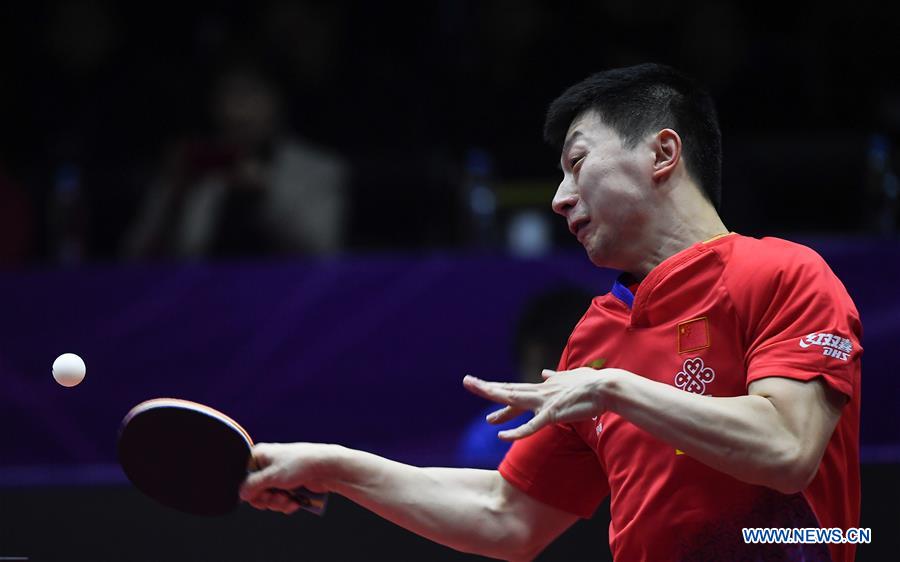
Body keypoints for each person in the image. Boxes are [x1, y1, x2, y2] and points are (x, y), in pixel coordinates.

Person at [240, 64, 861, 562]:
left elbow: (786, 447)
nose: (561, 200)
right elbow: (507, 516)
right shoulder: (595, 339)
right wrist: (336, 467)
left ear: (663, 153)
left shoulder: (782, 274)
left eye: (577, 162)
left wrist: (614, 389)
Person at [124, 64, 348, 259]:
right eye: (226, 95)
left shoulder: (319, 169)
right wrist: (176, 197)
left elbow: (322, 250)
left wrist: (264, 191)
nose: (236, 110)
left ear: (277, 100)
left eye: (250, 94)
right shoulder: (196, 160)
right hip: (201, 298)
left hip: (288, 300)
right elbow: (136, 257)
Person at [457, 285, 593, 468]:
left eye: (557, 360)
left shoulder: (614, 424)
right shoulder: (491, 435)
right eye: (538, 364)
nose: (547, 377)